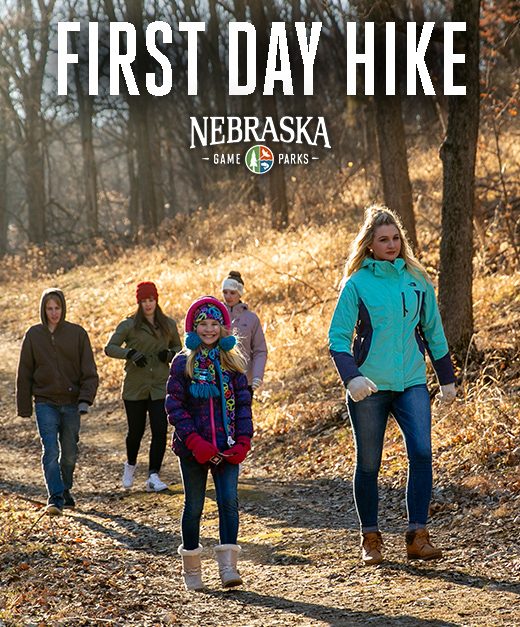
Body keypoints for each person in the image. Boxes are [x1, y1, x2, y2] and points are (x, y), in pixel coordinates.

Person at [328, 205, 457, 566]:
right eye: (383, 239)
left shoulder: (417, 281)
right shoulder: (356, 285)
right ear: (369, 244)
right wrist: (351, 376)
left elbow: (434, 331)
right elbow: (337, 337)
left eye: (396, 238)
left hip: (412, 381)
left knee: (422, 453)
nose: (391, 244)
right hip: (368, 386)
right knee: (369, 463)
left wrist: (446, 377)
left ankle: (418, 536)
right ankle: (370, 538)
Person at [166, 296, 253, 590]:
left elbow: (243, 404)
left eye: (215, 323)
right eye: (203, 323)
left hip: (227, 446)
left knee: (229, 502)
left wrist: (243, 440)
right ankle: (191, 569)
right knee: (194, 505)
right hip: (193, 448)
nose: (209, 329)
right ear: (194, 327)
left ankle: (228, 566)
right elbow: (174, 406)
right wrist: (193, 440)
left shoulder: (232, 363)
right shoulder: (182, 362)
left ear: (223, 327)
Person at [16, 288, 99, 515]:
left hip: (72, 403)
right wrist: (24, 407)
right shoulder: (34, 335)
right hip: (45, 402)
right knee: (50, 449)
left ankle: (64, 489)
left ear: (63, 308)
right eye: (49, 308)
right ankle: (55, 498)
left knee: (70, 452)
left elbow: (89, 371)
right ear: (43, 310)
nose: (54, 313)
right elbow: (24, 372)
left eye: (57, 308)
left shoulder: (77, 334)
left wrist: (85, 400)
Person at [105, 281, 181, 492]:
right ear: (138, 302)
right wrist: (129, 353)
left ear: (156, 300)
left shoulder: (168, 324)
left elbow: (179, 347)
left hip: (159, 385)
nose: (148, 305)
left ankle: (153, 476)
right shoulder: (128, 324)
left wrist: (170, 355)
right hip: (135, 387)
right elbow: (109, 348)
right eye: (144, 301)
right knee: (135, 432)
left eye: (151, 300)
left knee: (160, 430)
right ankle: (130, 464)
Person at [221, 270, 267, 396]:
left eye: (232, 292)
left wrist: (257, 376)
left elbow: (260, 350)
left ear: (240, 293)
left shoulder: (251, 319)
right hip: (220, 379)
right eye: (225, 292)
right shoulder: (216, 316)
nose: (228, 296)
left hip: (245, 380)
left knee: (243, 415)